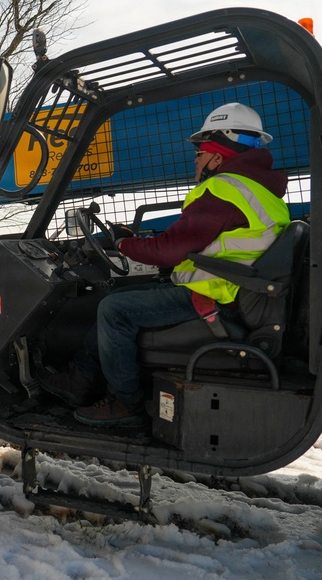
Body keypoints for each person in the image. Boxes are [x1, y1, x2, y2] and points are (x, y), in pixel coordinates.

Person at [40, 103, 290, 426]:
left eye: (200, 152)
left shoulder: (223, 190)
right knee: (111, 299)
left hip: (216, 298)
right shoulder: (262, 193)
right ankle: (81, 379)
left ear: (218, 152)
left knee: (113, 311)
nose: (196, 159)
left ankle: (125, 402)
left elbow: (169, 250)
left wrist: (122, 244)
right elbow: (196, 243)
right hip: (232, 292)